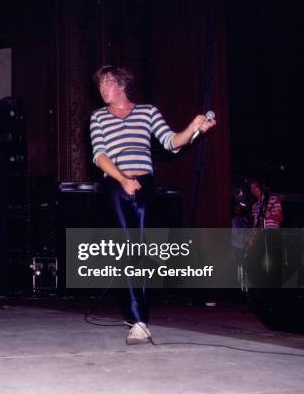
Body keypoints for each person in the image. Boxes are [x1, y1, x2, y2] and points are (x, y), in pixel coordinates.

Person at [89, 66, 216, 344]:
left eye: (107, 83)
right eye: (99, 84)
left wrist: (194, 129)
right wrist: (122, 178)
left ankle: (139, 316)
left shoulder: (147, 111)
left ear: (121, 84)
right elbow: (99, 155)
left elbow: (171, 143)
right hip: (116, 184)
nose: (102, 88)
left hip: (145, 184)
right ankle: (139, 320)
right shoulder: (98, 117)